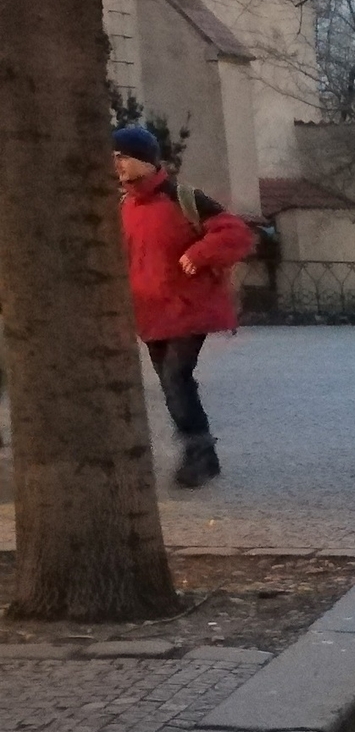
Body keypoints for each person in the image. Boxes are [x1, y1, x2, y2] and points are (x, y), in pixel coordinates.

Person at [113, 124, 255, 487]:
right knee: (172, 384)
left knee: (176, 379)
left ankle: (199, 455)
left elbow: (236, 232)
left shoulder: (182, 197)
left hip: (189, 309)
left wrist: (200, 252)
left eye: (124, 157)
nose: (118, 165)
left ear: (146, 159)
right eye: (114, 158)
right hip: (150, 311)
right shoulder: (122, 206)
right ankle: (203, 454)